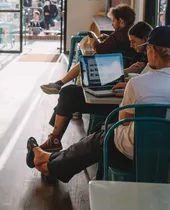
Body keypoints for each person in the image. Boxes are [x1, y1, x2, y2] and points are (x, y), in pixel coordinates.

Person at [26, 26, 170, 183]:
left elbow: (124, 120)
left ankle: (48, 165)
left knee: (98, 140)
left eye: (147, 49)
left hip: (135, 151)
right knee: (96, 141)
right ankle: (49, 158)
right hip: (165, 153)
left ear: (153, 52)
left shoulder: (138, 84)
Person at [38, 21, 152, 152]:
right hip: (120, 94)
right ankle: (55, 137)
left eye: (134, 42)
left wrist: (127, 79)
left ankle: (55, 138)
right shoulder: (146, 58)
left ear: (145, 40)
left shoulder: (149, 63)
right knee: (68, 94)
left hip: (121, 106)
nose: (131, 46)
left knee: (68, 94)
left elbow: (140, 88)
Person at [41, 4, 137, 95]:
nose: (112, 24)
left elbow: (99, 49)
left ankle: (61, 85)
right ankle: (60, 85)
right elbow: (119, 44)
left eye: (113, 21)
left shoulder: (119, 34)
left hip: (114, 66)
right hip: (123, 64)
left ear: (121, 21)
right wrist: (109, 38)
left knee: (84, 63)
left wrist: (93, 41)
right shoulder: (131, 31)